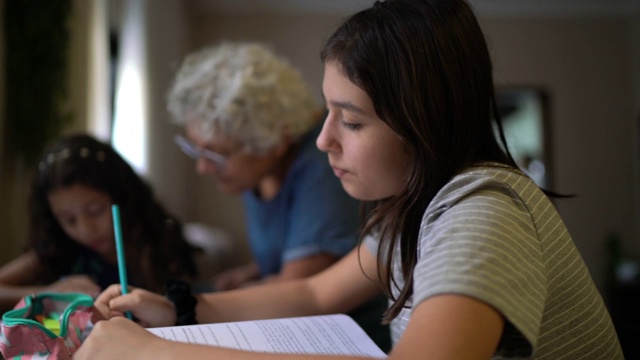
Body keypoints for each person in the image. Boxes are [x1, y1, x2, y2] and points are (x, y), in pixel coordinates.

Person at [76, 0, 623, 358]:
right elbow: (318, 292)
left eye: (352, 121)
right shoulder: (415, 208)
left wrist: (152, 352)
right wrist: (179, 309)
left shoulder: (481, 209)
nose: (323, 139)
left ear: (423, 122)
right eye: (329, 113)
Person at [166, 41, 390, 350]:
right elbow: (302, 249)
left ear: (273, 142)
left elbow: (305, 291)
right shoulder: (256, 171)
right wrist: (254, 271)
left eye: (216, 156)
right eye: (195, 148)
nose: (202, 167)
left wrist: (177, 310)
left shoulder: (322, 169)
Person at [0, 134, 198, 313]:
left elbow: (188, 309)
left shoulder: (158, 241)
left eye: (95, 211)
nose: (86, 230)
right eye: (69, 220)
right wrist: (47, 294)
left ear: (122, 197)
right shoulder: (58, 249)